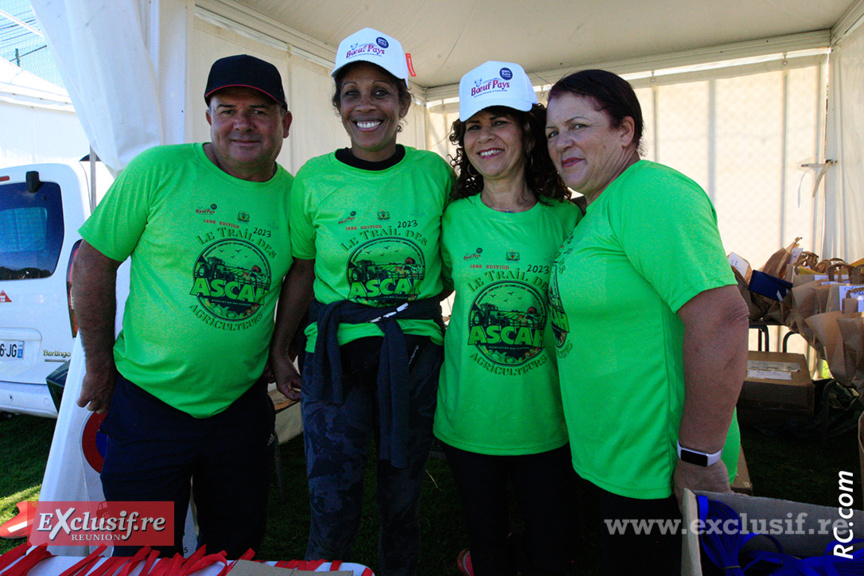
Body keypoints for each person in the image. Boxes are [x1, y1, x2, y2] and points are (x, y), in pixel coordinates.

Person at [72, 54, 294, 557]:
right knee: (143, 553)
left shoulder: (295, 198)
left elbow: (304, 275)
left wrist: (282, 349)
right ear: (209, 116)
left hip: (239, 409)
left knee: (234, 551)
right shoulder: (158, 170)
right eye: (227, 109)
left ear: (285, 122)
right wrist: (99, 364)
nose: (243, 123)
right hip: (148, 405)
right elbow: (92, 263)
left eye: (260, 111)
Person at [543, 69, 749, 575]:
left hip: (659, 467)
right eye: (552, 133)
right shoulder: (594, 208)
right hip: (618, 458)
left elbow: (722, 318)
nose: (561, 142)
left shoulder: (651, 192)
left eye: (578, 126)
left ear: (625, 131)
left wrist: (698, 457)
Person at [269, 28, 452, 576]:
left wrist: (403, 307)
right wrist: (282, 348)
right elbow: (302, 270)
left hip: (414, 359)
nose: (365, 105)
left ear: (403, 104)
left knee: (402, 498)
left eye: (380, 92)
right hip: (334, 360)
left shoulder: (433, 173)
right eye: (351, 92)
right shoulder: (314, 180)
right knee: (331, 501)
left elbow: (449, 264)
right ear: (338, 106)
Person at [433, 61, 581, 576]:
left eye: (500, 121)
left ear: (528, 133)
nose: (485, 136)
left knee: (552, 551)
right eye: (473, 125)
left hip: (549, 420)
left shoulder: (567, 220)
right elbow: (439, 285)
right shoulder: (451, 216)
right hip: (469, 418)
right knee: (487, 548)